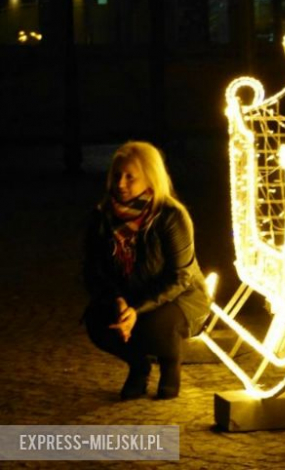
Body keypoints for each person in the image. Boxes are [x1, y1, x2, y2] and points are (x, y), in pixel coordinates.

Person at [82, 141, 211, 400]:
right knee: (98, 322)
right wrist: (117, 300)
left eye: (131, 177)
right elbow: (92, 270)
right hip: (128, 294)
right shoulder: (103, 217)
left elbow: (181, 276)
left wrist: (136, 309)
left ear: (150, 178)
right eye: (117, 175)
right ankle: (139, 366)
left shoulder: (170, 216)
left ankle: (170, 363)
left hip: (179, 298)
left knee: (155, 326)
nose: (121, 183)